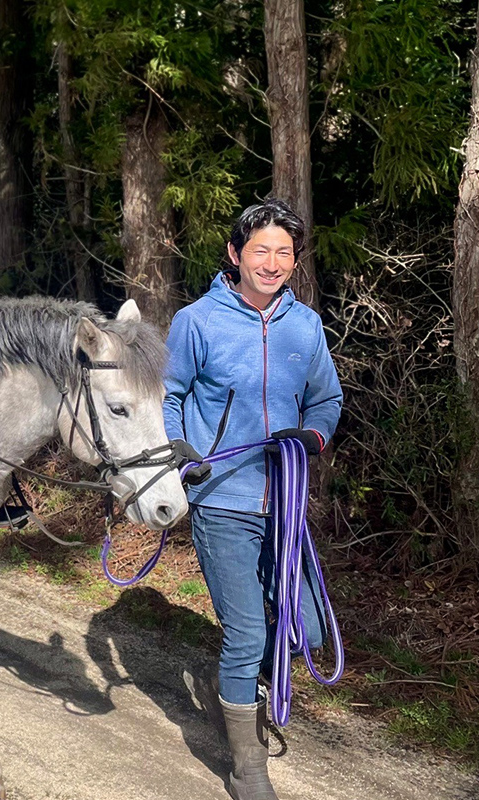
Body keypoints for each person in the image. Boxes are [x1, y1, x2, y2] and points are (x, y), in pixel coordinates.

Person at [163, 198, 342, 800]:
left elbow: (326, 399)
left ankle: (244, 689)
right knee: (245, 635)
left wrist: (312, 435)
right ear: (236, 255)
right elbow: (167, 395)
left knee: (309, 631)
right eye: (260, 251)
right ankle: (247, 765)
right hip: (221, 498)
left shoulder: (305, 325)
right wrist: (178, 448)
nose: (272, 263)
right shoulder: (197, 321)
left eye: (284, 253)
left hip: (286, 502)